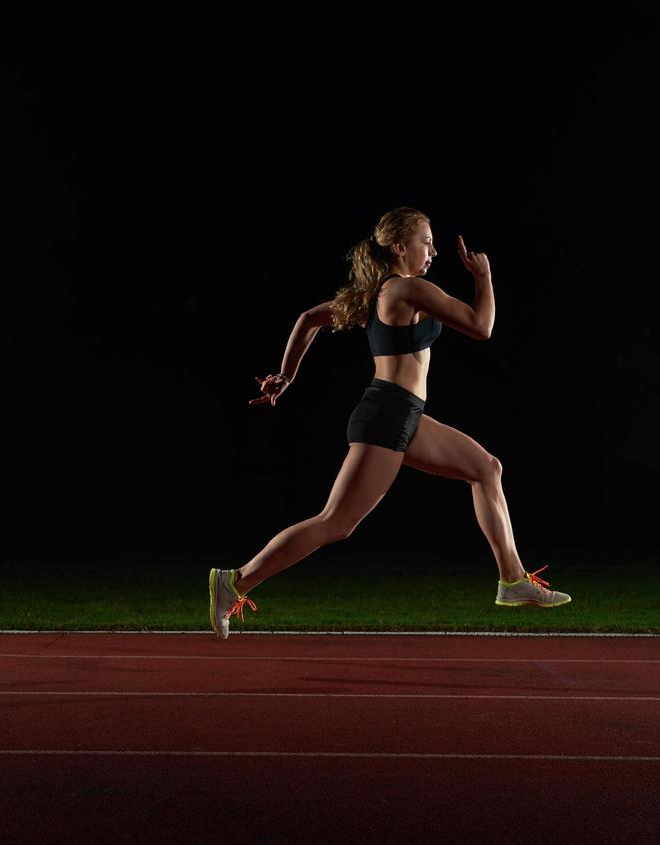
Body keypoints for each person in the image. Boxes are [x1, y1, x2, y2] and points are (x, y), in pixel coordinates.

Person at [208, 206, 571, 639]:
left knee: (486, 469)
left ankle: (512, 580)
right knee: (335, 523)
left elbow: (309, 320)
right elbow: (481, 326)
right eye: (426, 241)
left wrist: (286, 375)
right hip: (387, 415)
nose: (433, 250)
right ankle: (235, 581)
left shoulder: (374, 294)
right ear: (400, 247)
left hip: (404, 414)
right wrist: (484, 277)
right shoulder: (406, 290)